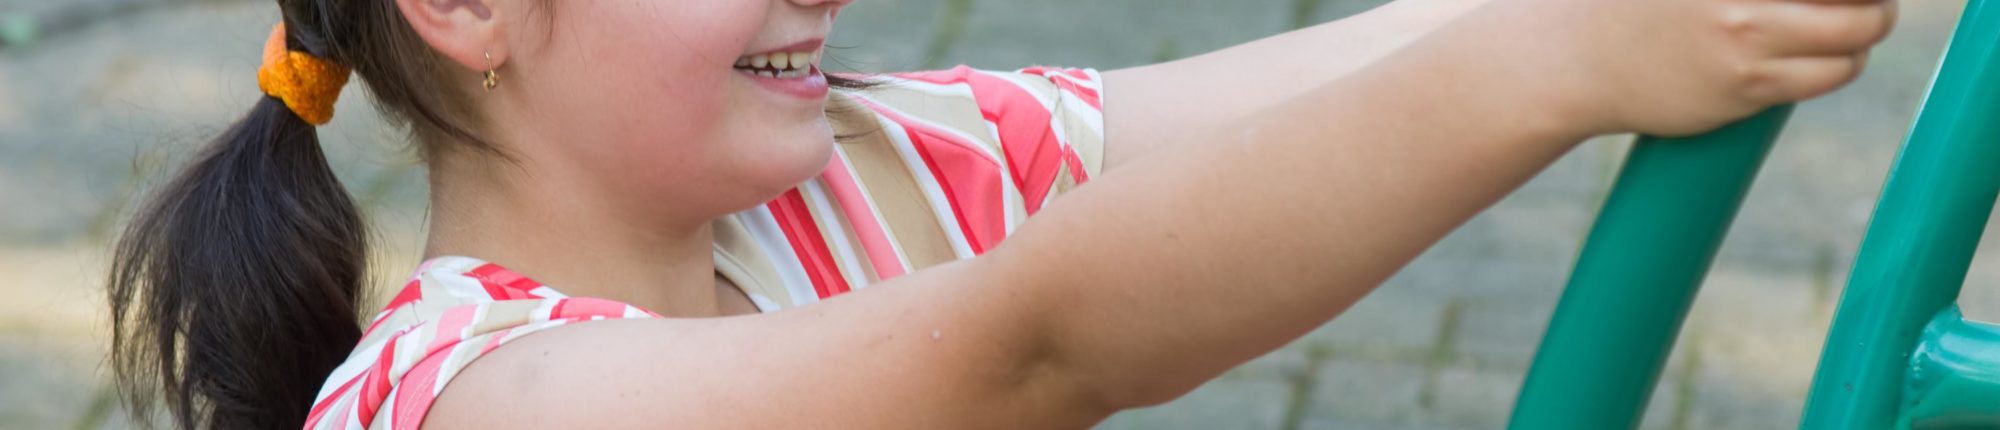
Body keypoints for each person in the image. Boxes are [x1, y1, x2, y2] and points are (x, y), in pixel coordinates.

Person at [105, 0, 1895, 428]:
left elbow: (1276, 97)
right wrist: (1543, 71)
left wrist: (1566, 16)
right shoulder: (481, 394)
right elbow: (1029, 340)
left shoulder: (855, 173)